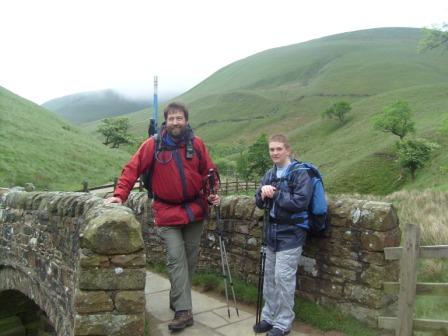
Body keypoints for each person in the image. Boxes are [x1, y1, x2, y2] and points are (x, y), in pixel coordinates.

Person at [105, 102, 220, 332]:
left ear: (186, 120)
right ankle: (183, 312)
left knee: (189, 261)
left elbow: (209, 171)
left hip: (195, 211)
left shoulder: (196, 144)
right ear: (165, 121)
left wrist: (213, 192)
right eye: (171, 118)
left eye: (179, 118)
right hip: (167, 212)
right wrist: (120, 195)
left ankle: (177, 298)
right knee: (176, 259)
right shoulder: (153, 145)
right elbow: (132, 168)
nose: (175, 122)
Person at [253, 134, 312, 336]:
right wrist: (262, 194)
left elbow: (300, 202)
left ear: (288, 149)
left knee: (283, 279)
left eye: (279, 149)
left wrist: (276, 194)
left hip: (291, 234)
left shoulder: (300, 173)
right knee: (269, 278)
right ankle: (269, 318)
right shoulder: (269, 174)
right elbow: (258, 202)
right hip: (271, 234)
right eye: (272, 150)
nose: (275, 153)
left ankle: (283, 323)